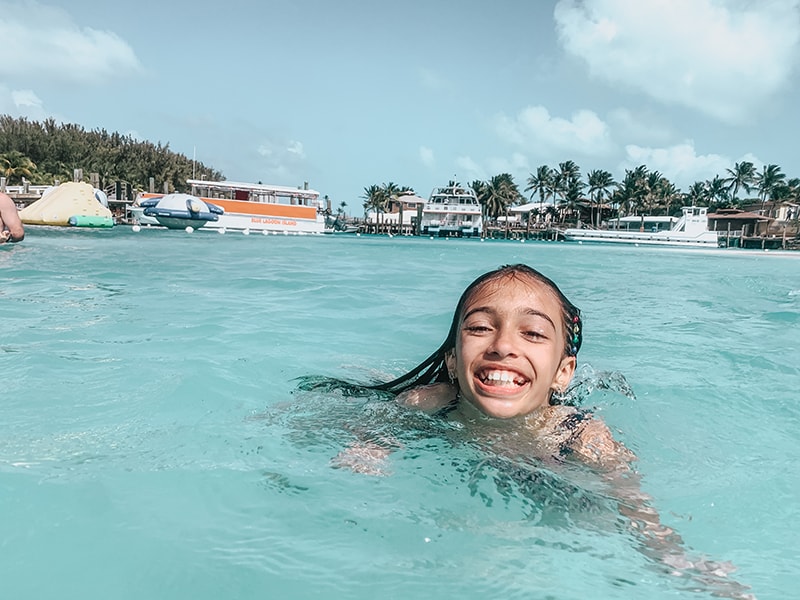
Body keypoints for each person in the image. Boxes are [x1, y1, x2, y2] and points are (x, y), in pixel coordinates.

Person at [324, 264, 754, 599]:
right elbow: (374, 432)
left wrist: (669, 553)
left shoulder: (579, 432)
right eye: (479, 327)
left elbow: (631, 500)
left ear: (563, 373)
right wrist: (366, 452)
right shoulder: (431, 402)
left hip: (550, 474)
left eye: (531, 333)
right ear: (453, 361)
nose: (503, 345)